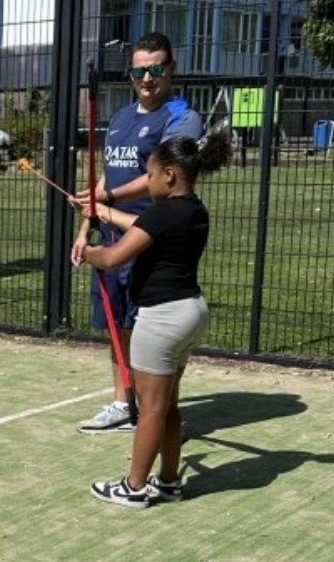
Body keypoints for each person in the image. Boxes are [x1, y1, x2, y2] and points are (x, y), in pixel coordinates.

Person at [74, 129, 233, 507]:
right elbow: (144, 230)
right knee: (169, 405)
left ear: (170, 175)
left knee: (150, 409)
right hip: (191, 312)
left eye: (150, 174)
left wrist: (90, 251)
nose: (146, 182)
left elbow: (114, 259)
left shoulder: (162, 213)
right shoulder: (194, 209)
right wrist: (103, 212)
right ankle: (168, 481)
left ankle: (133, 487)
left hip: (162, 319)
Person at [70, 32, 203, 433]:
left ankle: (150, 409)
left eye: (155, 69)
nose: (147, 78)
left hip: (151, 238)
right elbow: (108, 175)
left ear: (171, 69)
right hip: (110, 234)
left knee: (145, 326)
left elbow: (158, 177)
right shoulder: (123, 118)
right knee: (116, 322)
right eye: (139, 70)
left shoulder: (182, 117)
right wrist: (85, 226)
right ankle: (121, 401)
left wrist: (107, 198)